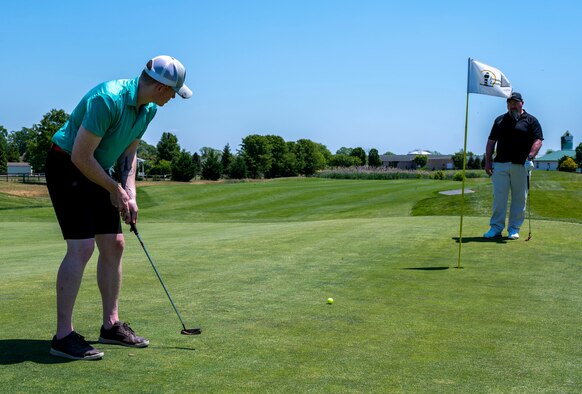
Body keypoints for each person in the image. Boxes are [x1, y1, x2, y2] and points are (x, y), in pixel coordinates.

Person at [46, 55, 192, 360]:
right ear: (162, 88)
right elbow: (81, 158)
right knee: (82, 247)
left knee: (114, 244)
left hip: (98, 168)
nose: (173, 99)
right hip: (68, 163)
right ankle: (63, 336)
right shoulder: (108, 99)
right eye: (174, 93)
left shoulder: (148, 108)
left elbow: (129, 155)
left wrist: (130, 193)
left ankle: (110, 326)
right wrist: (114, 190)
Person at [483, 92, 543, 240]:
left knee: (519, 198)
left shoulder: (531, 120)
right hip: (500, 165)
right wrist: (488, 161)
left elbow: (538, 140)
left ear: (522, 103)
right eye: (510, 103)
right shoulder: (500, 120)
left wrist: (530, 157)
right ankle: (496, 228)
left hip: (521, 165)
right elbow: (491, 141)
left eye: (515, 102)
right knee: (499, 198)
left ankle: (514, 229)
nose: (512, 105)